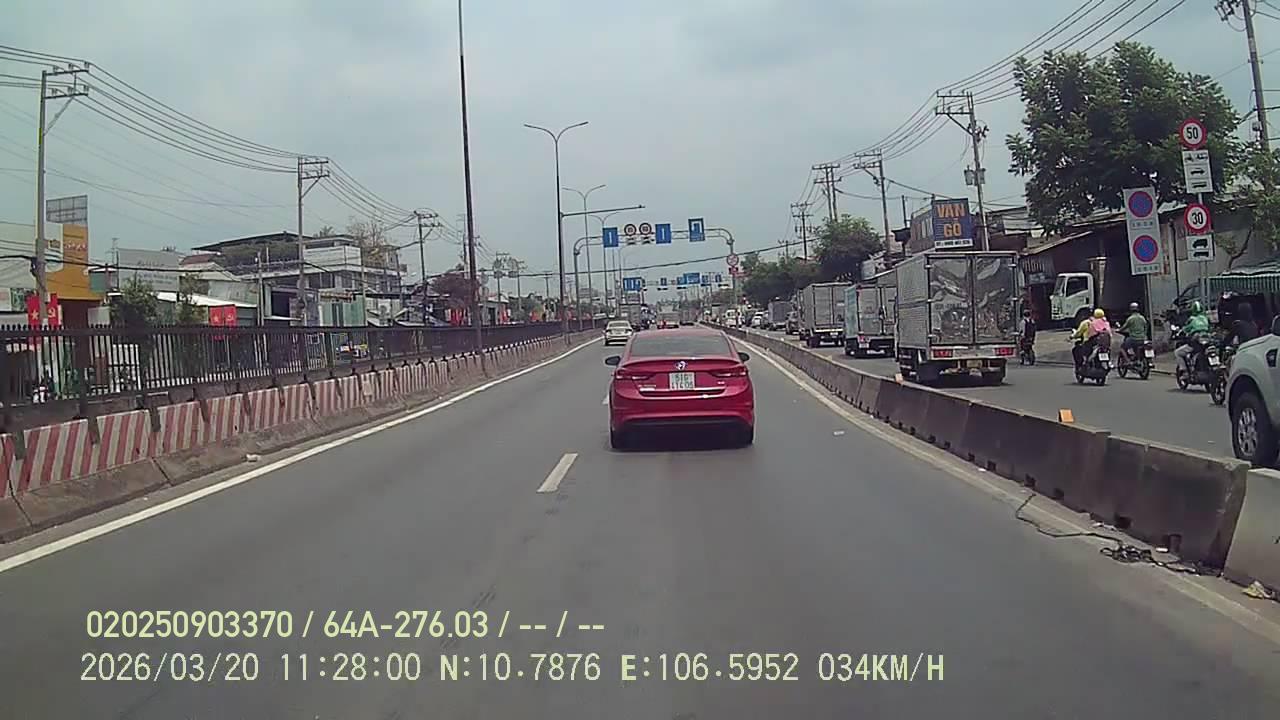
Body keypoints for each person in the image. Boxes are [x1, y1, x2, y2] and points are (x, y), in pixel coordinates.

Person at [1174, 301, 1212, 370]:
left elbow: (1185, 329)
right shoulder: (1205, 318)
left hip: (1195, 343)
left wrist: (1179, 333)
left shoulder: (1192, 319)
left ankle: (1184, 369)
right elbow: (1210, 328)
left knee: (1177, 352)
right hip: (1207, 342)